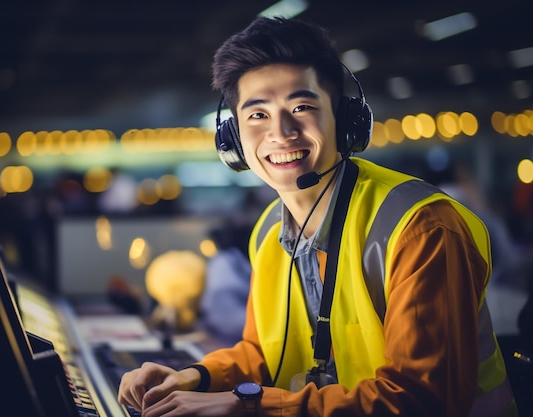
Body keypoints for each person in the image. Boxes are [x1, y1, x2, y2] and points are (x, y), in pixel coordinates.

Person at [117, 16, 517, 416]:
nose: (282, 132)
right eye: (257, 115)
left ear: (344, 120)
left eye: (302, 106)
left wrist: (250, 405)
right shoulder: (270, 231)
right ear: (233, 138)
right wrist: (194, 376)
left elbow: (421, 400)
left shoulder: (419, 229)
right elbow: (263, 353)